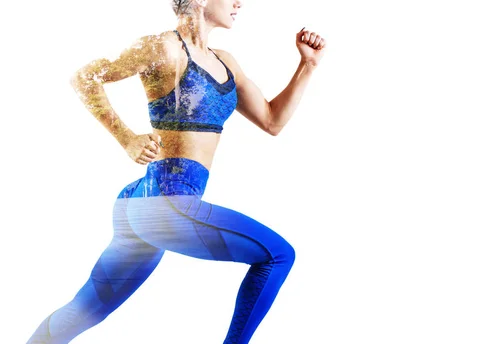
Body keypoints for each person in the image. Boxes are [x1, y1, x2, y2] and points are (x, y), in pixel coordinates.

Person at [26, 0, 326, 342]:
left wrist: (307, 65)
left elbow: (273, 121)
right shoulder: (163, 47)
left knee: (86, 310)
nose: (239, 2)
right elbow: (86, 77)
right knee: (278, 255)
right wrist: (127, 138)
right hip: (166, 204)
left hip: (148, 203)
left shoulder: (226, 62)